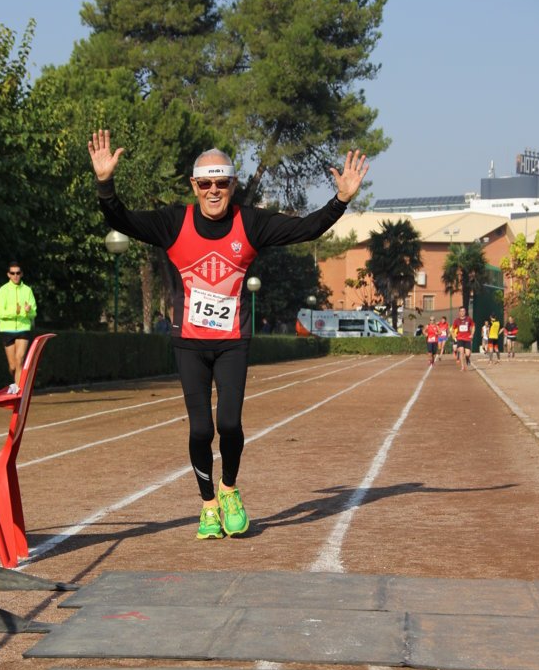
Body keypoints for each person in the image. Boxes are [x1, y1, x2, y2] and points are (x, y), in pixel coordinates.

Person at [88, 129, 369, 540]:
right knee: (201, 430)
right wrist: (105, 183)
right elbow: (121, 220)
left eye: (221, 182)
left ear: (233, 185)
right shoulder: (174, 222)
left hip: (233, 342)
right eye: (206, 184)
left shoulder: (250, 222)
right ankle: (207, 505)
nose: (214, 191)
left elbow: (306, 229)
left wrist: (340, 199)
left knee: (230, 424)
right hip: (189, 343)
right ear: (194, 186)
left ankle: (229, 489)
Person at [0, 260, 37, 391]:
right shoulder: (3, 290)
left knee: (20, 359)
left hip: (23, 328)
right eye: (13, 273)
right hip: (7, 330)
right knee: (13, 366)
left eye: (18, 273)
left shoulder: (27, 290)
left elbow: (34, 312)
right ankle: (16, 382)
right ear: (8, 274)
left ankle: (18, 392)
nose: (15, 276)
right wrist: (15, 312)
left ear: (22, 274)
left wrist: (28, 311)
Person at [451, 305, 475, 371]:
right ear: (459, 312)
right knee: (461, 351)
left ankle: (467, 358)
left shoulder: (469, 319)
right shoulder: (457, 320)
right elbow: (453, 329)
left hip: (467, 338)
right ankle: (462, 367)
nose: (462, 312)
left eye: (463, 311)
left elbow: (473, 326)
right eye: (461, 311)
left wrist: (472, 334)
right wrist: (454, 335)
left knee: (467, 354)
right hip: (460, 338)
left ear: (465, 312)